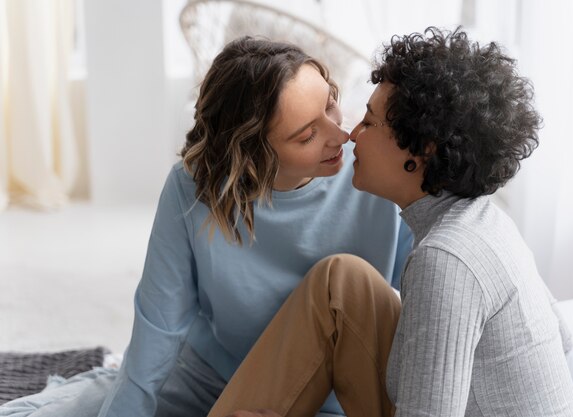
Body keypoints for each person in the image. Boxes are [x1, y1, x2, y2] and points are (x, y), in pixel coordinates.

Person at [0, 38, 411, 417]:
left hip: (326, 397)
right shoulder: (193, 186)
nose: (340, 133)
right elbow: (159, 323)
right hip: (207, 372)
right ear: (251, 157)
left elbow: (425, 297)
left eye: (331, 103)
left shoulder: (373, 175)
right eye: (307, 135)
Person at [204, 27, 573, 417]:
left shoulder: (446, 259)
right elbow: (559, 337)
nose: (352, 134)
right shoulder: (486, 221)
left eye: (371, 121)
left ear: (421, 151)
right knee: (341, 279)